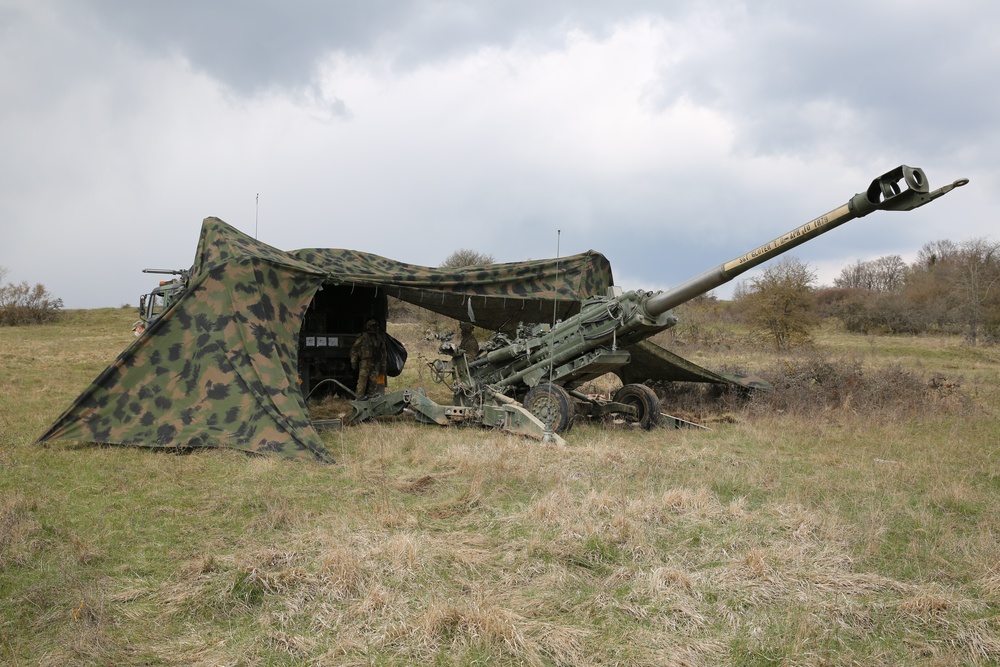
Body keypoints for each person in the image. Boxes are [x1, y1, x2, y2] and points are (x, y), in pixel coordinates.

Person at [350, 319, 387, 399]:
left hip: (375, 362)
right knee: (362, 380)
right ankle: (359, 397)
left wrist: (383, 364)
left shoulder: (378, 338)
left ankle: (371, 396)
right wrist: (354, 361)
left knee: (373, 380)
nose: (374, 328)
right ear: (369, 327)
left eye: (375, 326)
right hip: (365, 362)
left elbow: (383, 352)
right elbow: (354, 350)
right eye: (373, 326)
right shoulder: (363, 337)